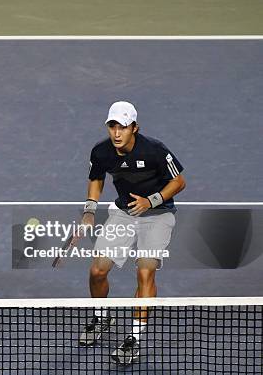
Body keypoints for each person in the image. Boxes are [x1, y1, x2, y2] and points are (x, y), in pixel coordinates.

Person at [74, 101, 186, 364]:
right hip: (124, 213)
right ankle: (102, 317)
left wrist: (151, 201)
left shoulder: (156, 151)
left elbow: (179, 182)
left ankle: (134, 339)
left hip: (158, 214)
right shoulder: (101, 152)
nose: (116, 133)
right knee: (97, 270)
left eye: (122, 127)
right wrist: (90, 209)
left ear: (135, 127)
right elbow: (97, 177)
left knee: (145, 270)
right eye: (112, 126)